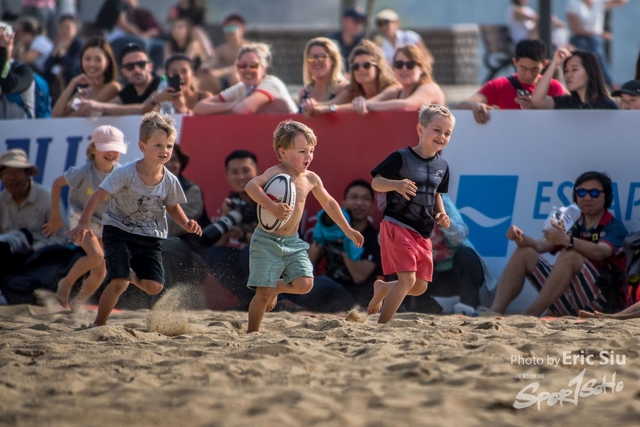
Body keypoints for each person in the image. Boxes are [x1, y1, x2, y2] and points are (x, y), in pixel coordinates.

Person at [67, 112, 202, 326]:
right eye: (157, 145)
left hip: (149, 236)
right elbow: (98, 195)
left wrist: (186, 222)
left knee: (154, 287)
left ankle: (126, 271)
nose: (164, 151)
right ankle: (99, 324)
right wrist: (83, 222)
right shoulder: (126, 173)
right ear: (142, 146)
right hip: (118, 230)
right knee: (118, 283)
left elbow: (173, 206)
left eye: (168, 146)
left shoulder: (169, 180)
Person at [244, 120, 364, 333]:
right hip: (266, 241)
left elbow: (329, 203)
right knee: (262, 294)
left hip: (292, 241)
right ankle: (252, 333)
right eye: (302, 151)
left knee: (305, 284)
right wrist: (272, 206)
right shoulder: (276, 172)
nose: (309, 156)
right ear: (283, 153)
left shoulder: (311, 179)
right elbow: (251, 186)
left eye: (311, 151)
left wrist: (348, 229)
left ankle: (278, 287)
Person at [489, 171, 629, 317]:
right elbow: (539, 245)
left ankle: (531, 313)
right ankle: (494, 311)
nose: (587, 197)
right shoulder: (570, 220)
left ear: (606, 197)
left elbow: (600, 252)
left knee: (571, 254)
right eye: (581, 192)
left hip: (603, 304)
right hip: (568, 300)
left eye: (594, 193)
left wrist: (568, 240)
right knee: (524, 251)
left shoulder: (615, 227)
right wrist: (520, 237)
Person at [367, 104, 454, 324]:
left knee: (419, 287)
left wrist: (442, 213)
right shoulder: (401, 157)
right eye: (437, 130)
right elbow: (376, 183)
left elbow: (436, 195)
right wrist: (395, 184)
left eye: (447, 133)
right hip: (398, 224)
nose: (441, 136)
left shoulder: (442, 166)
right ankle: (383, 326)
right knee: (407, 280)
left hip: (423, 231)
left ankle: (383, 288)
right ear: (420, 129)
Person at [43, 125, 127, 309]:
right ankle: (66, 282)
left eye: (116, 149)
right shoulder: (82, 172)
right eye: (105, 148)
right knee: (96, 256)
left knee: (100, 272)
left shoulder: (121, 173)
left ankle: (76, 305)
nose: (111, 153)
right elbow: (57, 184)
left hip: (103, 222)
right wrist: (56, 216)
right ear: (93, 149)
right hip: (80, 218)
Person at [300, 179, 382, 310]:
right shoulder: (332, 229)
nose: (359, 203)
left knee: (321, 283)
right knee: (289, 286)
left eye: (365, 199)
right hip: (325, 292)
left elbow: (359, 276)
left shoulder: (375, 237)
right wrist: (322, 231)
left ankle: (297, 305)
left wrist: (344, 238)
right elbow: (307, 264)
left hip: (353, 297)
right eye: (354, 197)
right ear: (343, 203)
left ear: (372, 207)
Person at [409, 194, 496, 313]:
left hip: (458, 272)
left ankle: (469, 306)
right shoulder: (400, 205)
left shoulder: (440, 200)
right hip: (431, 276)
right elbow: (384, 241)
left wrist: (445, 223)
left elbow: (461, 235)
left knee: (466, 254)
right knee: (401, 259)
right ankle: (423, 307)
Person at [456, 39, 566, 124]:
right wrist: (474, 105)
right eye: (523, 68)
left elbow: (568, 113)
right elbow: (461, 106)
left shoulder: (554, 86)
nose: (529, 75)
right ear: (515, 62)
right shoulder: (500, 85)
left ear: (544, 65)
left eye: (535, 69)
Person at [203, 150, 259, 311]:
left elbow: (274, 241)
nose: (241, 177)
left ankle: (265, 299)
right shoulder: (231, 203)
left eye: (246, 170)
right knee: (214, 255)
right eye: (235, 172)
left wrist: (243, 235)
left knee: (249, 253)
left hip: (275, 261)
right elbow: (219, 244)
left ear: (257, 172)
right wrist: (227, 222)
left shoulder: (269, 198)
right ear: (227, 177)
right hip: (248, 260)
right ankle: (248, 299)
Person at [0, 149, 65, 275]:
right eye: (6, 172)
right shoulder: (1, 201)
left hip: (42, 264)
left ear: (27, 173)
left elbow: (63, 238)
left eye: (17, 171)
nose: (11, 178)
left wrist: (34, 249)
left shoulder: (48, 199)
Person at [193, 43, 297, 115]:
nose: (247, 70)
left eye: (253, 66)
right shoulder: (241, 88)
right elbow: (199, 108)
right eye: (242, 65)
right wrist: (231, 105)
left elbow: (244, 109)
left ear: (263, 69)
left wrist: (229, 106)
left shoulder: (271, 83)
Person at [301, 40, 398, 116]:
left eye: (366, 65)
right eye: (355, 66)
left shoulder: (393, 88)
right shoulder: (352, 90)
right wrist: (312, 105)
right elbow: (333, 103)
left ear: (378, 67)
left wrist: (330, 108)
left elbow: (370, 103)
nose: (361, 69)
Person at [351, 45, 445, 115]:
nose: (404, 68)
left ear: (421, 69)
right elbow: (371, 102)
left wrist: (368, 105)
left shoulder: (430, 88)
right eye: (399, 64)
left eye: (410, 65)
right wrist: (360, 103)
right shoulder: (397, 91)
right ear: (393, 68)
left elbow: (407, 106)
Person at [76, 43, 160, 116]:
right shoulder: (129, 90)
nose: (136, 70)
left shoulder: (161, 84)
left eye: (141, 64)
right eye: (129, 67)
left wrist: (99, 106)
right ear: (123, 72)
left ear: (150, 67)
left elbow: (145, 109)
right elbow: (106, 110)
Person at [51, 37, 121, 118]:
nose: (92, 64)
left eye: (98, 60)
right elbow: (56, 116)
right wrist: (73, 83)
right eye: (87, 59)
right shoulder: (83, 91)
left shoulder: (112, 87)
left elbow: (74, 117)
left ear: (107, 62)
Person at [566, 0, 628, 87]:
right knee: (595, 53)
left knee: (594, 50)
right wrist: (599, 34)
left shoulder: (599, 2)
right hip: (579, 38)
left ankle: (600, 82)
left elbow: (622, 1)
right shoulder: (573, 3)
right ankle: (611, 83)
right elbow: (576, 30)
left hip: (594, 39)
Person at [531, 48, 617, 109]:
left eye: (574, 69)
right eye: (566, 71)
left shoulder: (606, 105)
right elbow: (537, 100)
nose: (568, 75)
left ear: (590, 72)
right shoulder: (567, 102)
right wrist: (554, 63)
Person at [142, 54, 212, 115]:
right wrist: (155, 100)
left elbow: (206, 121)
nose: (180, 76)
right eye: (174, 73)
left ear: (192, 74)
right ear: (167, 76)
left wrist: (184, 110)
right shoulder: (162, 95)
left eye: (184, 71)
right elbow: (143, 114)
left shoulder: (203, 97)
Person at [197, 14, 245, 94]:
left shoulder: (249, 48)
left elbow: (248, 65)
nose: (229, 31)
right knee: (206, 78)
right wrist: (204, 68)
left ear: (242, 29)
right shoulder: (221, 49)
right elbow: (212, 61)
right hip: (225, 81)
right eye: (227, 28)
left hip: (243, 79)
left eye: (233, 28)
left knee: (235, 77)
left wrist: (222, 72)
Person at [297, 37, 348, 112]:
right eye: (310, 57)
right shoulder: (303, 93)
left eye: (321, 57)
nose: (315, 61)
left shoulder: (343, 89)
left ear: (333, 60)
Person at [43, 14, 83, 101]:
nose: (64, 31)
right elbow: (46, 66)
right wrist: (54, 53)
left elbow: (73, 66)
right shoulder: (58, 43)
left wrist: (62, 54)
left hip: (77, 85)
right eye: (62, 27)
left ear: (75, 29)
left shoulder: (78, 45)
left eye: (67, 28)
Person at [0, 22, 35, 120]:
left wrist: (3, 52)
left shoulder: (23, 70)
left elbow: (9, 85)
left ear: (11, 43)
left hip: (22, 132)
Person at [328, 6, 366, 72]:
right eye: (356, 21)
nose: (358, 25)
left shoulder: (363, 42)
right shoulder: (331, 41)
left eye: (361, 22)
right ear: (344, 20)